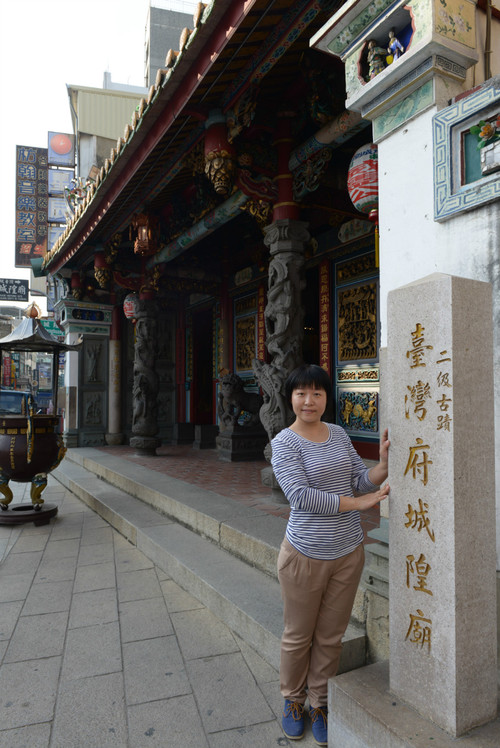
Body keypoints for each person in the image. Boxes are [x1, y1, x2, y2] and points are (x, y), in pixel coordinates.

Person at [271, 364, 390, 745]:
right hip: (305, 555)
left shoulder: (338, 434)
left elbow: (358, 478)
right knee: (298, 635)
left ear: (326, 398)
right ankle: (293, 700)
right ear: (290, 398)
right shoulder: (284, 442)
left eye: (317, 393)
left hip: (347, 553)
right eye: (301, 393)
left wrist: (382, 468)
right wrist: (358, 504)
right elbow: (301, 497)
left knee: (331, 636)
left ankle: (320, 702)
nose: (309, 401)